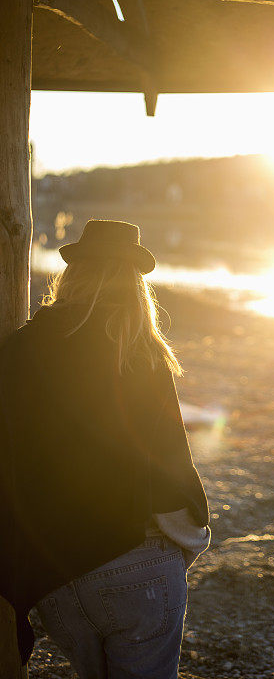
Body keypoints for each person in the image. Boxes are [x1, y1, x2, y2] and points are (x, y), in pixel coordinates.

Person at [0, 219, 211, 678]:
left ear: (72, 276)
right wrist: (192, 543)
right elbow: (170, 467)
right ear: (136, 287)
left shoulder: (17, 350)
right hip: (138, 564)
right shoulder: (139, 354)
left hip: (55, 579)